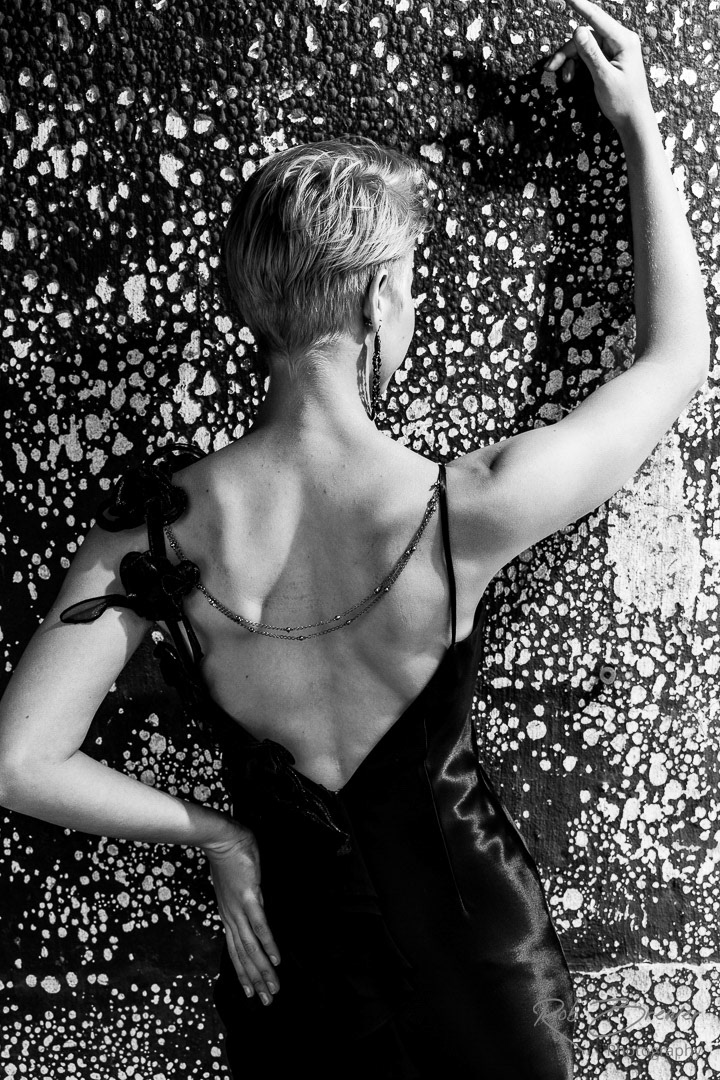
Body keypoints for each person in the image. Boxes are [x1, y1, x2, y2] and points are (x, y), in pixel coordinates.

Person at [0, 0, 709, 1076]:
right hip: (483, 974)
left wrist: (219, 835)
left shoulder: (151, 537)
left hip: (294, 979)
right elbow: (675, 362)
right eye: (411, 284)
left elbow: (18, 761)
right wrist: (642, 131)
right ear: (380, 298)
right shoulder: (468, 506)